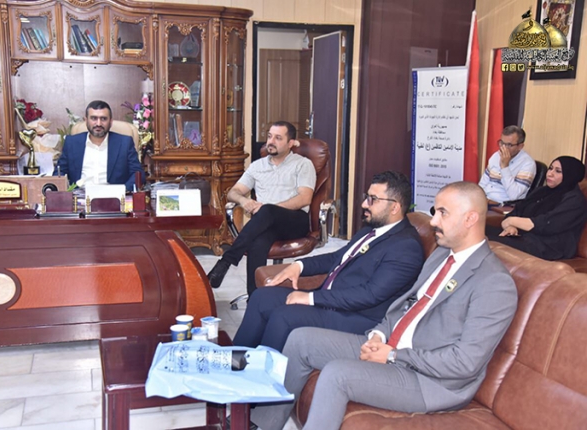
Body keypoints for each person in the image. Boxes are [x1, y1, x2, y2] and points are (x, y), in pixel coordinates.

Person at [250, 182, 518, 430]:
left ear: (470, 219)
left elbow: (464, 363)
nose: (433, 221)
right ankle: (263, 425)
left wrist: (393, 356)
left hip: (430, 381)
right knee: (300, 340)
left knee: (336, 375)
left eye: (443, 213)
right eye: (435, 212)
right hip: (392, 346)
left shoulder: (494, 283)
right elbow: (405, 306)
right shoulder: (442, 255)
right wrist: (379, 334)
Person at [232, 171, 424, 352]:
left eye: (373, 199)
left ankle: (263, 373)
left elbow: (370, 295)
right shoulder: (371, 229)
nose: (364, 204)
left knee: (284, 315)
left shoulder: (406, 247)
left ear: (395, 207)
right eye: (367, 196)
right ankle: (233, 361)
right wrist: (298, 266)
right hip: (332, 301)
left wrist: (310, 298)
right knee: (261, 297)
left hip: (357, 317)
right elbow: (336, 258)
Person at [207, 121, 316, 296]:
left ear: (290, 143)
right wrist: (244, 201)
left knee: (266, 211)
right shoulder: (257, 166)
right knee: (258, 243)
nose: (271, 141)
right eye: (270, 136)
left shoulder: (303, 164)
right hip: (265, 223)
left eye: (278, 138)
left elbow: (305, 198)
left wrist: (270, 209)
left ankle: (226, 261)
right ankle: (255, 297)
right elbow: (233, 192)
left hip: (294, 220)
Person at [487, 156, 587, 260]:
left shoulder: (575, 200)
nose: (550, 173)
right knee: (480, 230)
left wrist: (512, 221)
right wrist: (510, 227)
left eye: (558, 171)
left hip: (547, 246)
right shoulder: (541, 191)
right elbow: (517, 211)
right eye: (550, 168)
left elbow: (546, 224)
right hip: (522, 236)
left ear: (570, 175)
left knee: (485, 241)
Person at [57, 100, 144, 191]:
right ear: (86, 120)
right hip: (80, 196)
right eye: (94, 118)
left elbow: (138, 174)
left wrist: (122, 191)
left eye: (103, 119)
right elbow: (59, 173)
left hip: (113, 196)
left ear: (110, 122)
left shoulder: (124, 143)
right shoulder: (71, 143)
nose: (98, 124)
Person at [479, 125, 536, 204]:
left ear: (520, 146)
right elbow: (482, 184)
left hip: (503, 205)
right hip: (485, 200)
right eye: (502, 143)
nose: (503, 148)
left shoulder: (528, 164)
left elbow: (514, 195)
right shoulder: (496, 156)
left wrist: (505, 167)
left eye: (509, 145)